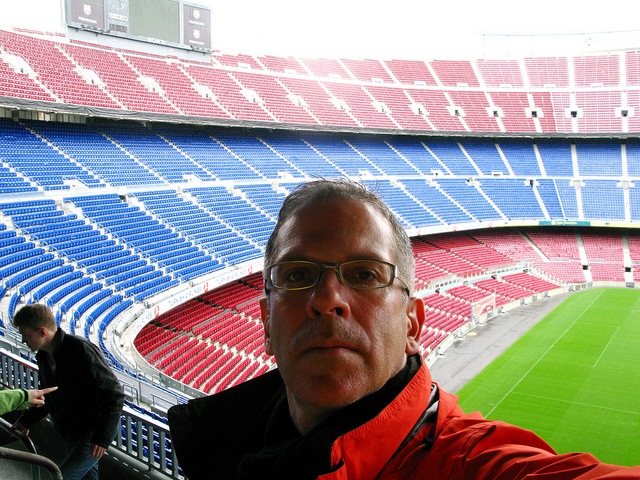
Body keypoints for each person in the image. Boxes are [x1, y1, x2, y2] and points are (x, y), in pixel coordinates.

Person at [168, 178, 640, 479]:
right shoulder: (216, 448)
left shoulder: (471, 465)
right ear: (266, 323)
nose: (328, 299)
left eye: (364, 274)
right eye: (296, 276)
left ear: (413, 322)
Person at [12, 304, 125, 480]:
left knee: (61, 477)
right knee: (87, 477)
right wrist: (27, 420)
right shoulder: (43, 356)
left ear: (42, 332)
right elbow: (51, 395)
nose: (23, 340)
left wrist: (102, 439)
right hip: (70, 431)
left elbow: (115, 394)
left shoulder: (81, 350)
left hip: (92, 432)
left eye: (26, 335)